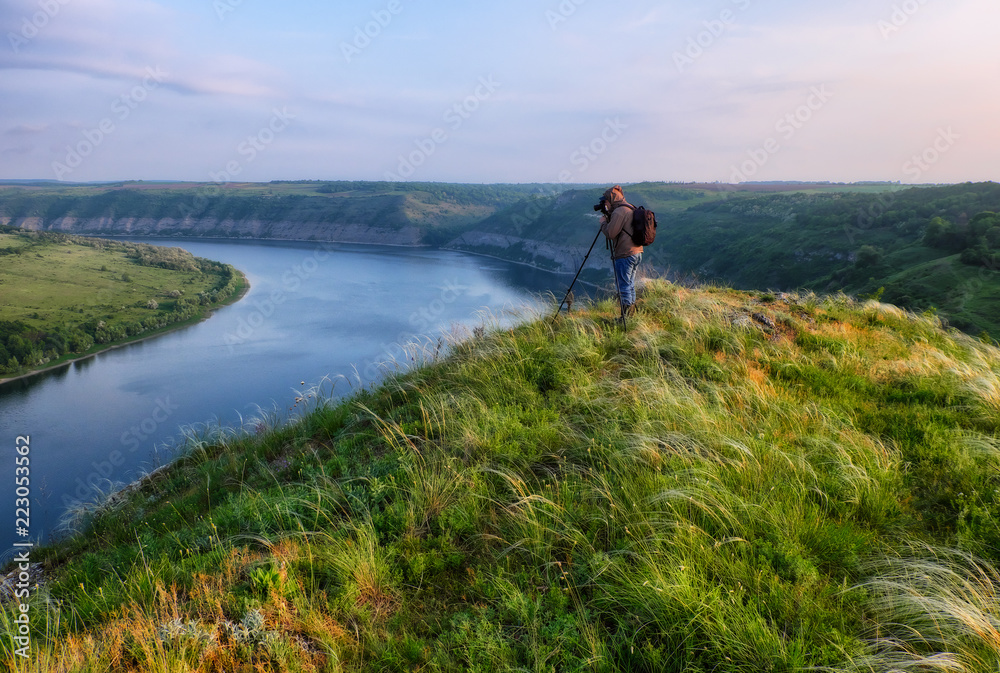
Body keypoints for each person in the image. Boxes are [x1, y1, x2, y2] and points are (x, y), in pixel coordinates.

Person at [599, 185, 642, 317]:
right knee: (630, 284)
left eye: (605, 201)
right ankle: (631, 313)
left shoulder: (619, 212)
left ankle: (626, 316)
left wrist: (603, 223)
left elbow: (611, 233)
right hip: (637, 252)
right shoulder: (629, 207)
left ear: (611, 200)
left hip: (625, 254)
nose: (604, 204)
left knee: (623, 286)